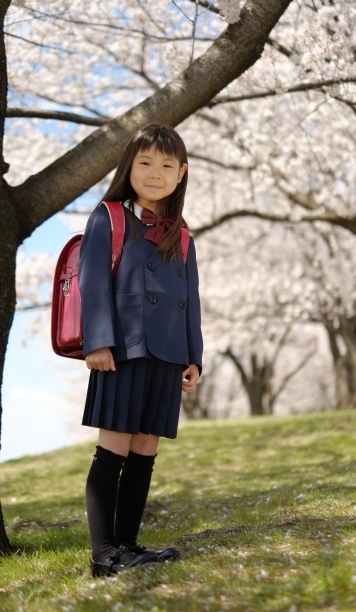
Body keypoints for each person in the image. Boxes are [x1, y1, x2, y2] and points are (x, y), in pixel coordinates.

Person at [78, 122, 203, 577]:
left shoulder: (181, 233)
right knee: (113, 446)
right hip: (122, 350)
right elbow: (93, 283)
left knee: (146, 448)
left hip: (169, 354)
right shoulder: (109, 216)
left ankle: (128, 545)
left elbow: (191, 298)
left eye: (167, 165)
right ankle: (103, 553)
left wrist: (194, 356)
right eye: (145, 162)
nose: (155, 172)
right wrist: (98, 342)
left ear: (181, 172)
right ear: (129, 166)